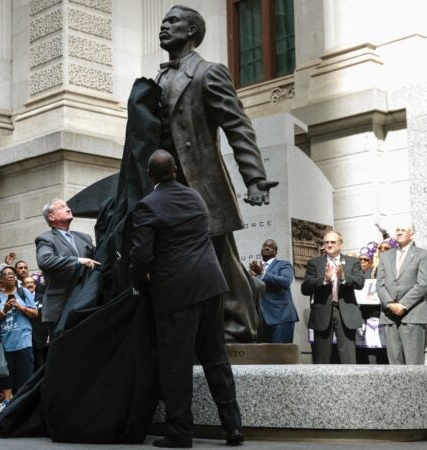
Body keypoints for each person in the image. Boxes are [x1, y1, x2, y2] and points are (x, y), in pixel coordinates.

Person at [156, 5, 277, 342]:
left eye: (173, 21)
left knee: (217, 256)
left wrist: (254, 178)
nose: (164, 26)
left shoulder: (209, 72)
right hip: (166, 190)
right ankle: (194, 326)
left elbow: (238, 126)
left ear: (193, 31)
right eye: (163, 21)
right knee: (179, 261)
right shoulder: (158, 79)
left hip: (202, 184)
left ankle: (239, 325)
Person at [130, 149, 243, 448]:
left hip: (176, 291)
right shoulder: (195, 197)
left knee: (175, 364)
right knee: (216, 356)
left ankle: (180, 432)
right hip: (210, 283)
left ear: (150, 174)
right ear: (176, 170)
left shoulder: (148, 205)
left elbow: (142, 255)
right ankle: (233, 426)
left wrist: (139, 284)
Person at [35, 198, 100, 334]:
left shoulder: (84, 238)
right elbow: (44, 261)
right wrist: (77, 261)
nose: (68, 209)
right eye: (62, 207)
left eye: (68, 206)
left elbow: (99, 258)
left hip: (85, 303)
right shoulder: (46, 238)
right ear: (51, 217)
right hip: (60, 307)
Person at [302, 231, 365, 364]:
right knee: (321, 358)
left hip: (345, 313)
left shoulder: (352, 262)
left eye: (333, 242)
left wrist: (343, 277)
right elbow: (305, 288)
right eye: (326, 242)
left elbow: (360, 283)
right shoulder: (315, 263)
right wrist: (324, 279)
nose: (329, 245)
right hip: (322, 313)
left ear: (340, 244)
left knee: (348, 357)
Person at [376, 223, 427, 364]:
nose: (399, 233)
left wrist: (403, 305)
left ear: (411, 234)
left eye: (403, 230)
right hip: (390, 316)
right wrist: (389, 303)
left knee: (414, 364)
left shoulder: (421, 254)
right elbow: (380, 284)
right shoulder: (385, 256)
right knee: (395, 363)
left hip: (411, 315)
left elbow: (423, 284)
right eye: (397, 230)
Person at [0, 266, 37, 404]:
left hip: (24, 341)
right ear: (1, 280)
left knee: (25, 375)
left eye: (12, 273)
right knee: (6, 376)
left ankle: (24, 403)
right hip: (5, 343)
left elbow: (35, 314)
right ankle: (7, 403)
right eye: (6, 274)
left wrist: (20, 307)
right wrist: (4, 309)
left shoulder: (24, 292)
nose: (10, 276)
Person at [249, 239, 298, 343]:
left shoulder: (283, 265)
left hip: (281, 317)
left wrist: (262, 273)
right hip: (260, 321)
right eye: (265, 245)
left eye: (271, 246)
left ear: (276, 251)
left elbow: (286, 282)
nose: (267, 247)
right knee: (262, 357)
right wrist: (250, 278)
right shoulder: (253, 270)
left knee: (281, 356)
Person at [23, 275, 49, 370]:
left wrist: (49, 333)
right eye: (27, 283)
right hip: (26, 337)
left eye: (31, 282)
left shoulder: (43, 298)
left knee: (42, 362)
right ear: (23, 286)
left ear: (35, 285)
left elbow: (48, 316)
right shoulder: (20, 300)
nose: (30, 284)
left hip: (42, 335)